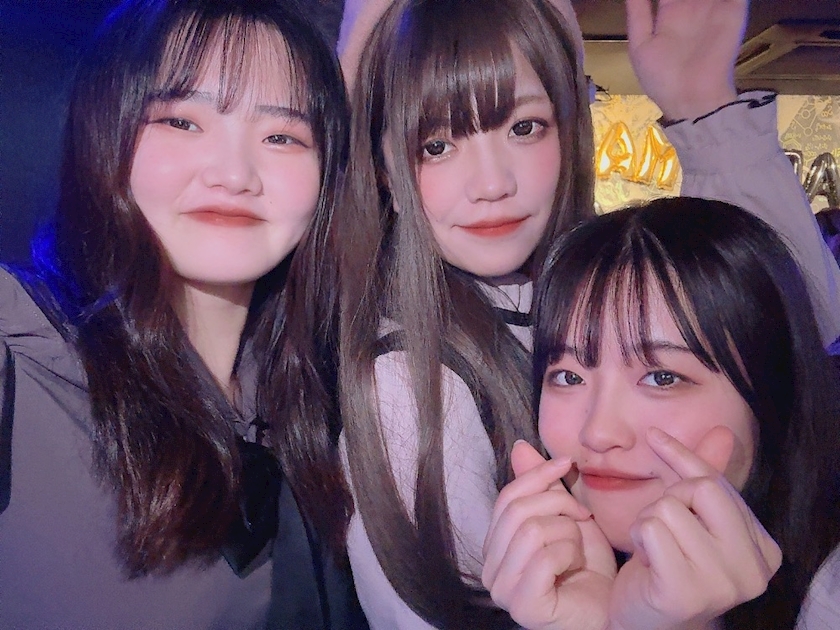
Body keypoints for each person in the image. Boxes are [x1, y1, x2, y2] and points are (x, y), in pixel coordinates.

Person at [335, 0, 840, 628]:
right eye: (435, 145)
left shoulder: (583, 283)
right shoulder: (411, 384)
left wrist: (707, 112)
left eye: (525, 127)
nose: (491, 184)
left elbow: (788, 331)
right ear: (383, 167)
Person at [0, 0, 364, 628]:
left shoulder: (318, 392)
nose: (234, 175)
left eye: (281, 136)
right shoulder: (22, 353)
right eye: (181, 121)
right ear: (103, 131)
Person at [483, 197, 840, 630]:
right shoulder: (557, 579)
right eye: (569, 377)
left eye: (662, 378)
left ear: (775, 394)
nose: (598, 433)